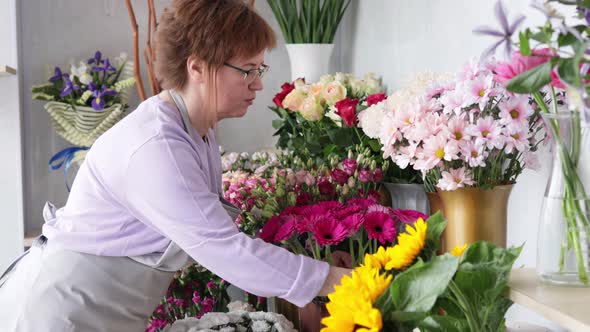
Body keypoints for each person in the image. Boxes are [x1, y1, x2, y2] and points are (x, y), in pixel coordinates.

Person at [0, 0, 350, 330]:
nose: (258, 83)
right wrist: (335, 281)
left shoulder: (198, 130)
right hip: (61, 313)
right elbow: (224, 249)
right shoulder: (156, 145)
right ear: (196, 66)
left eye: (260, 69)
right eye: (247, 70)